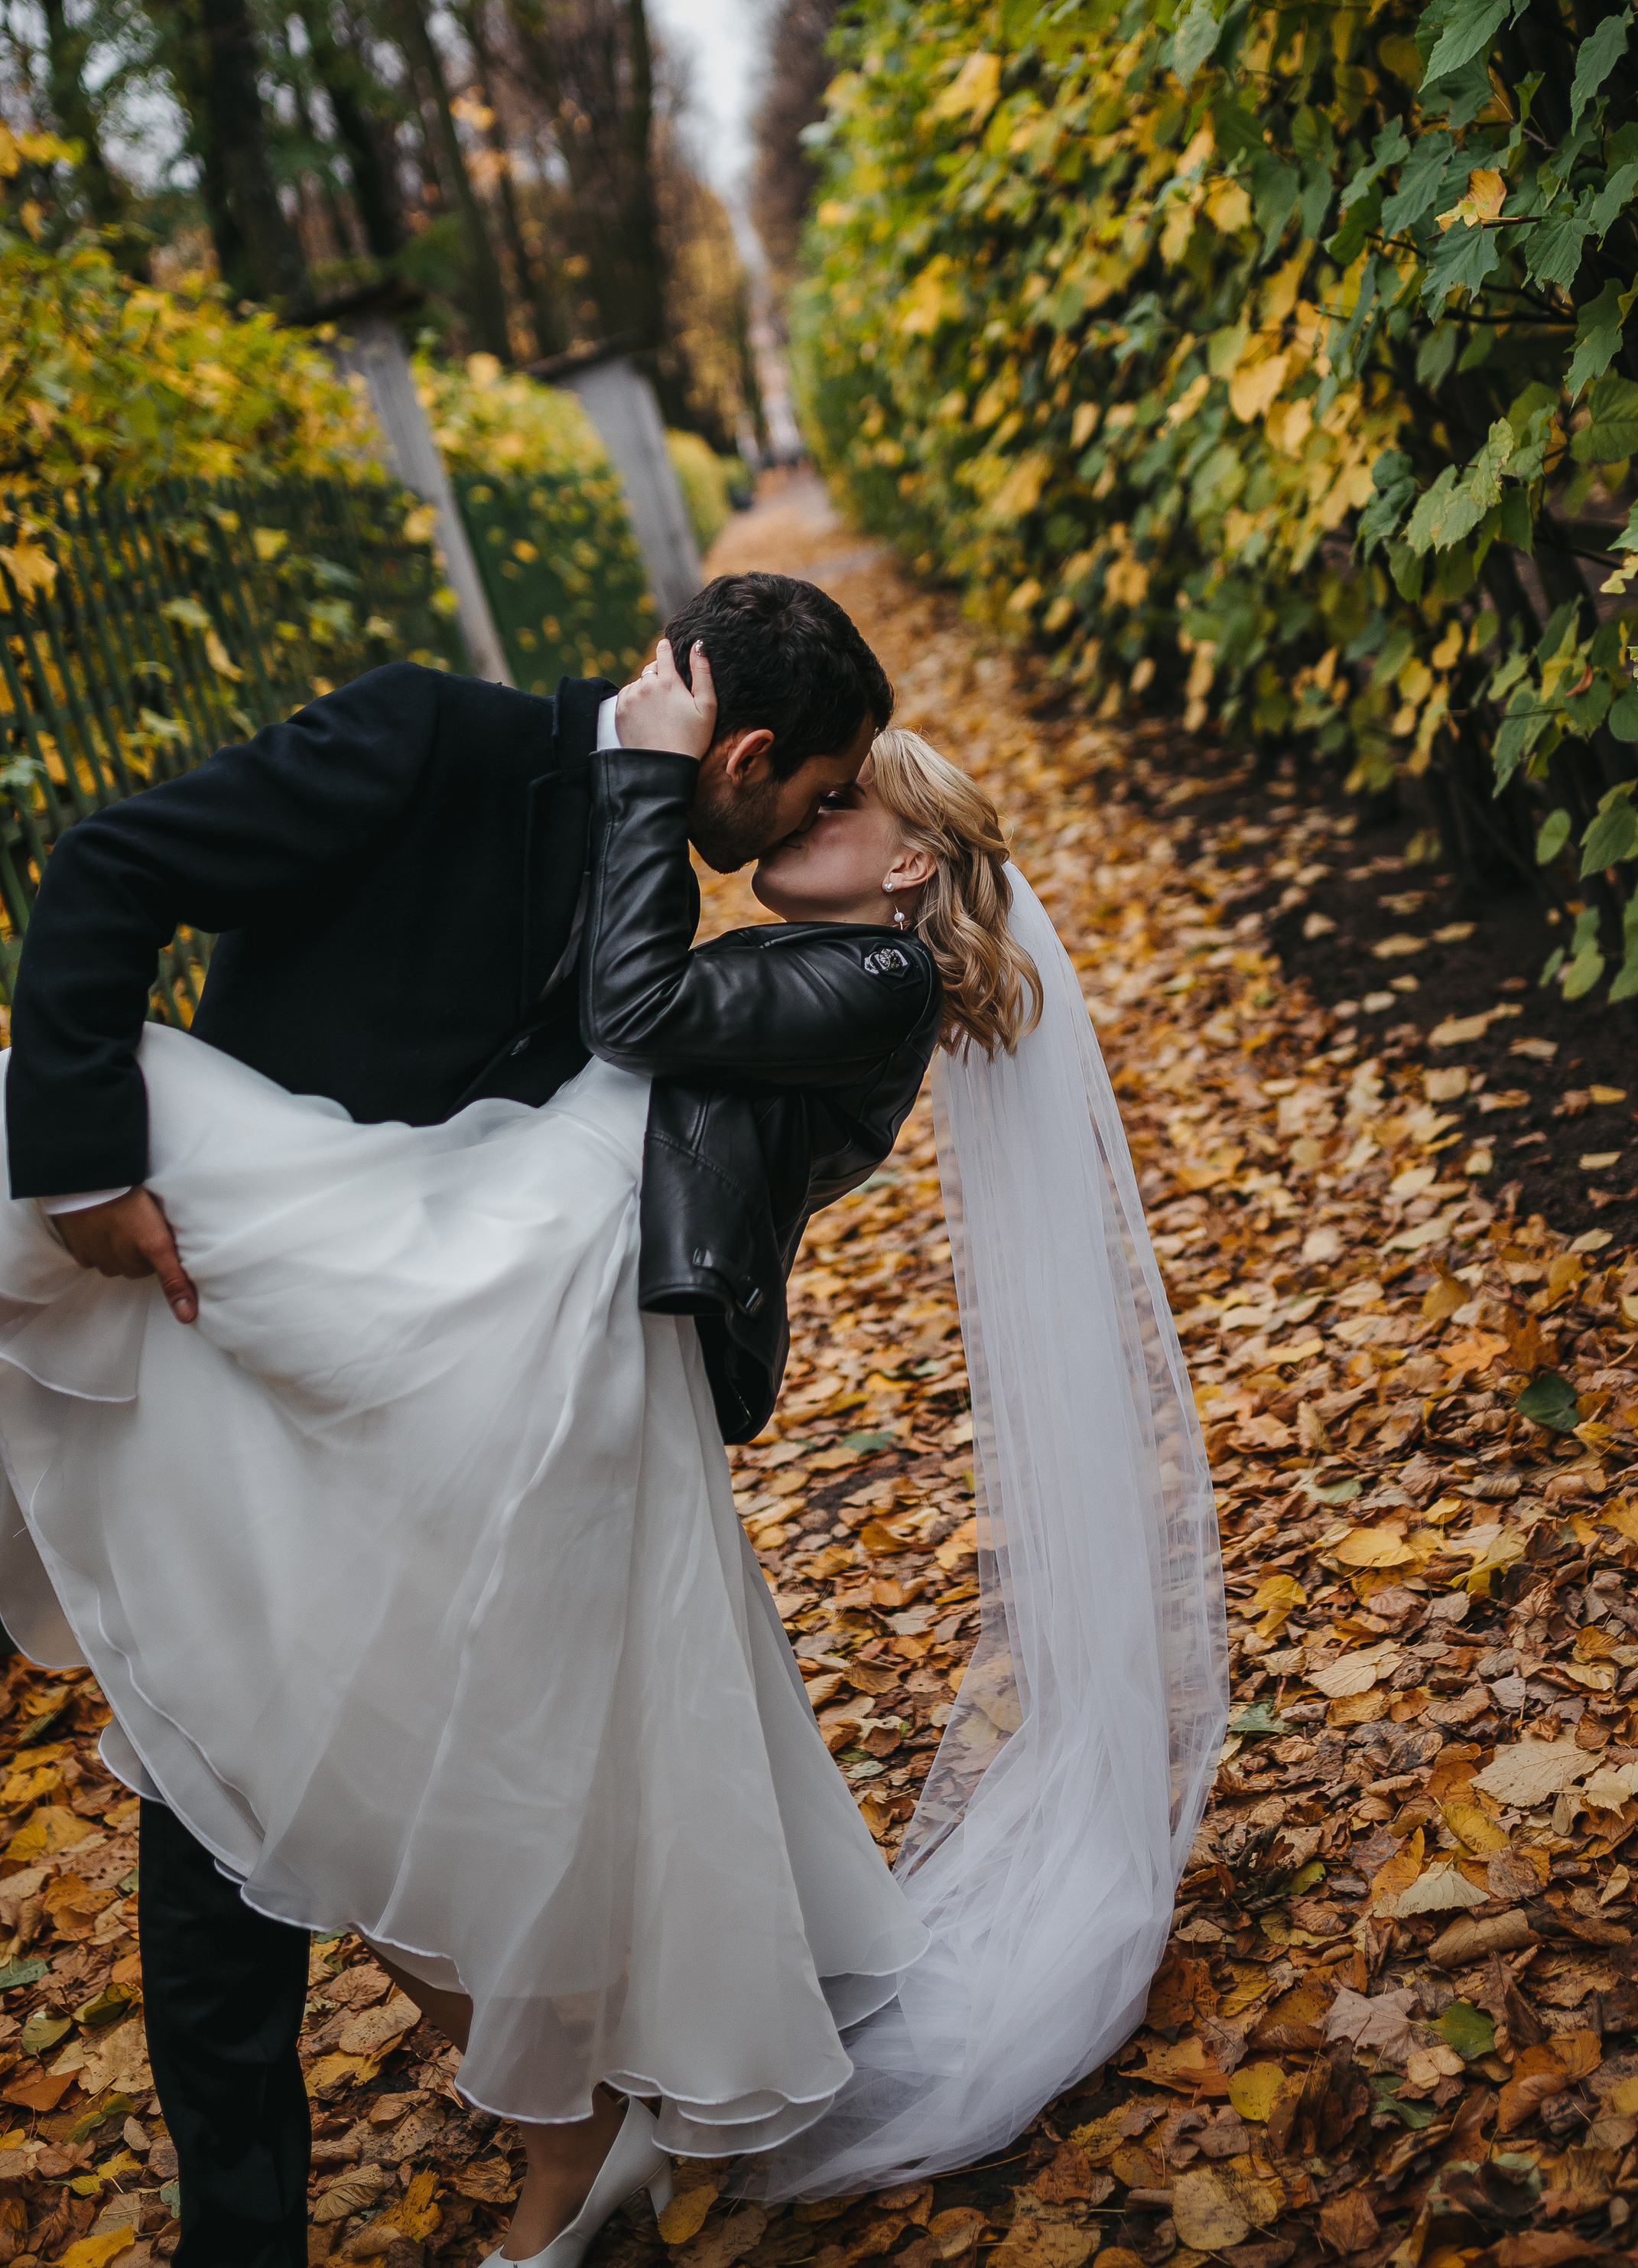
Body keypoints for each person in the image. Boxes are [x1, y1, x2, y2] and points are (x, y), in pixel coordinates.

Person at [0, 636, 1227, 2268]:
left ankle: (572, 2139)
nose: (810, 819)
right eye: (814, 779)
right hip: (509, 1244)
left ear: (912, 856)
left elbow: (631, 1004)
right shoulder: (816, 954)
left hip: (537, 1289)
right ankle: (568, 2139)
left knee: (105, 1132)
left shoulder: (882, 981)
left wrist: (645, 778)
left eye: (847, 802)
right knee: (313, 1726)